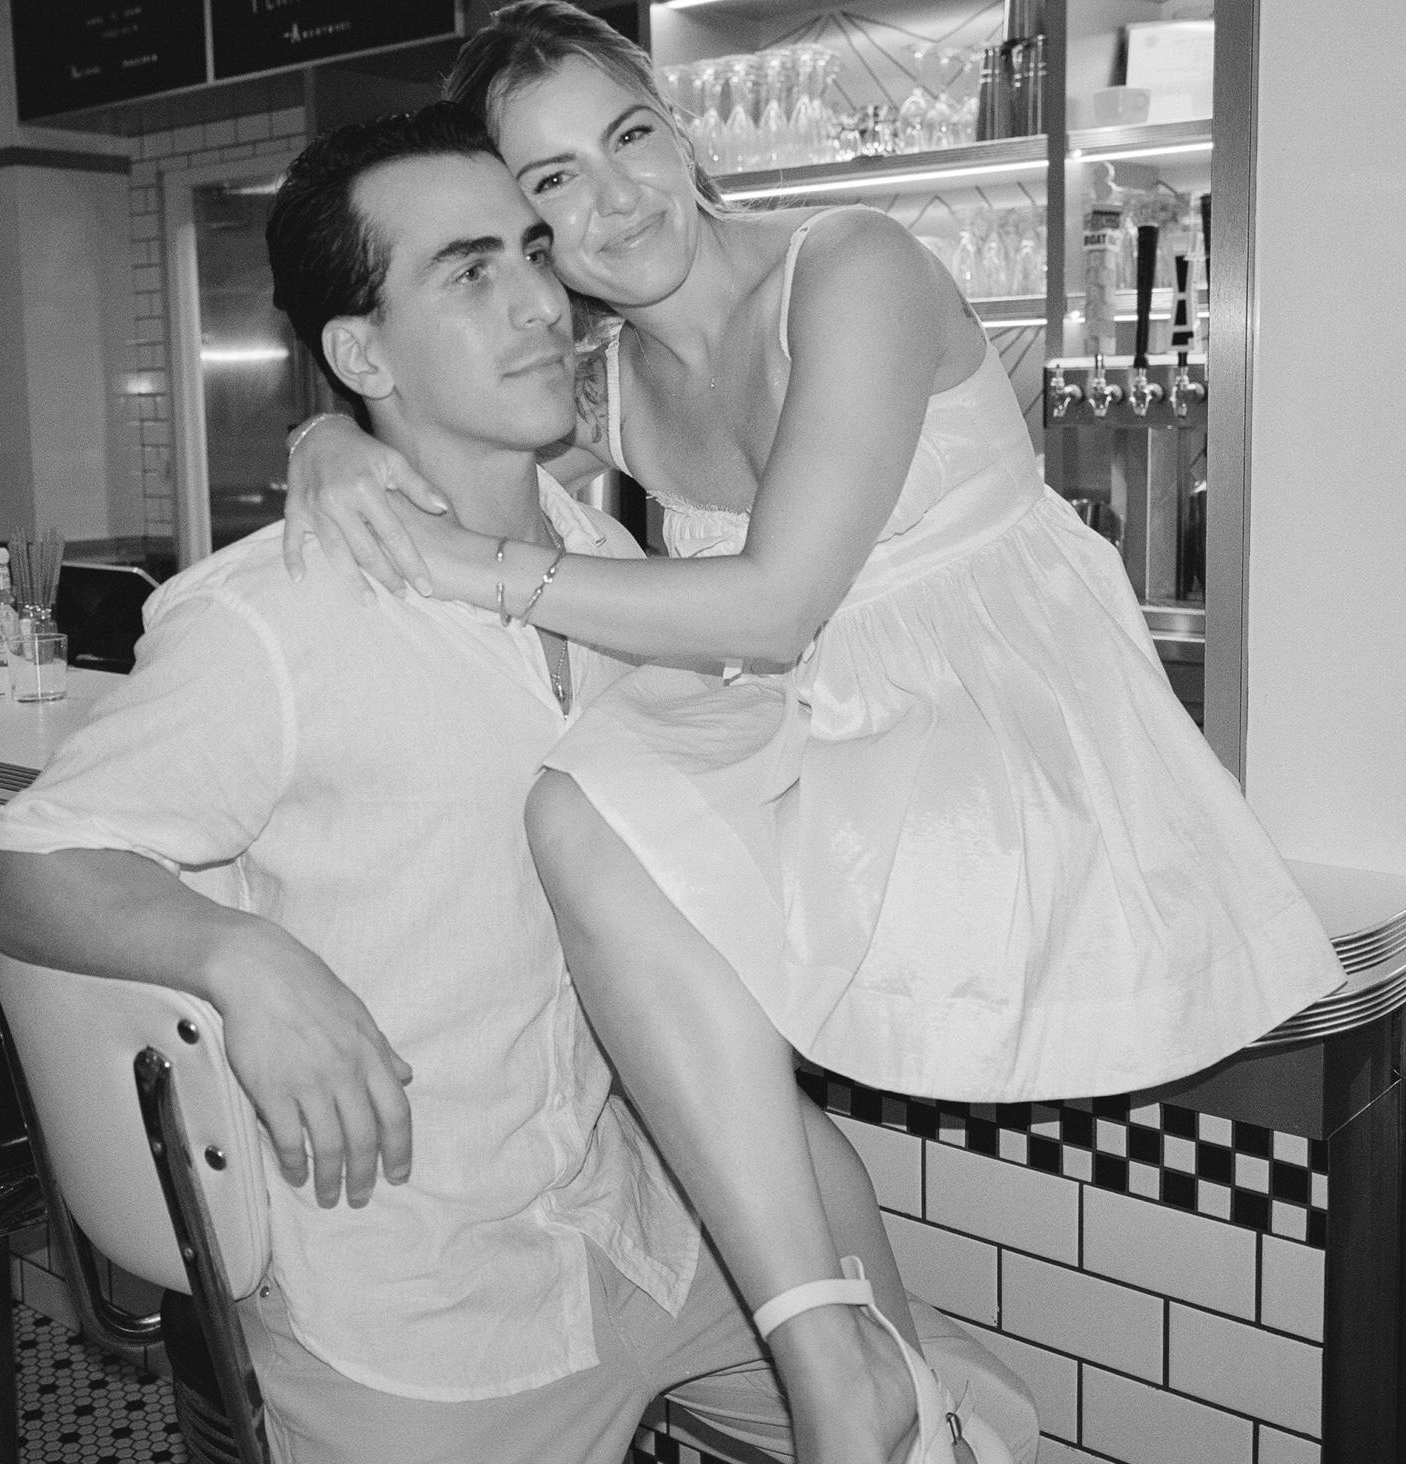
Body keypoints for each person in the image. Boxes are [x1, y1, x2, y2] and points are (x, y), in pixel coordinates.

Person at [286, 7, 1345, 1462]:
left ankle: (870, 1382)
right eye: (552, 184)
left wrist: (477, 569)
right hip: (831, 744)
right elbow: (443, 404)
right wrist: (329, 436)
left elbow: (777, 608)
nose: (616, 200)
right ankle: (853, 1373)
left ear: (679, 125)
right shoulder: (609, 380)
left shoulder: (852, 269)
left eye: (630, 136)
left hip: (998, 750)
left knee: (616, 851)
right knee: (606, 859)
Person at [0, 105, 1036, 1464]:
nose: (542, 301)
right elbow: (27, 869)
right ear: (362, 354)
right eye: (470, 273)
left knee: (968, 1428)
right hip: (423, 1301)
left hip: (664, 1232)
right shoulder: (268, 622)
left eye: (536, 252)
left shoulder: (627, 576)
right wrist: (241, 959)